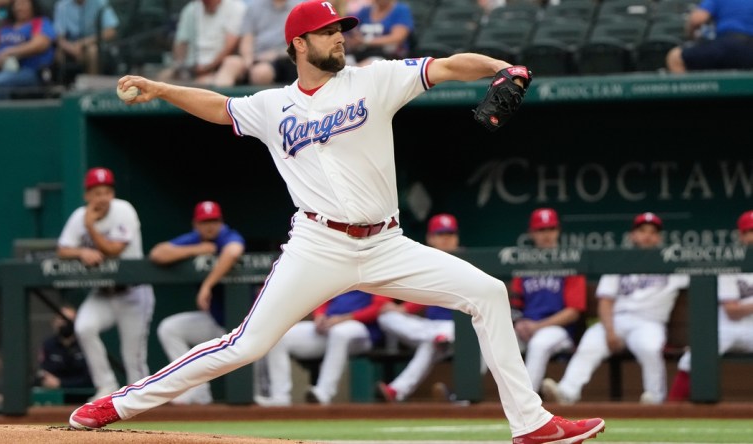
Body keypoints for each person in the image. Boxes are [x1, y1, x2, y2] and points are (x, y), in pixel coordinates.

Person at [70, 2, 605, 442]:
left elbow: (445, 66)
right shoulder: (272, 106)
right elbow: (218, 106)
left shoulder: (375, 80)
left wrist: (497, 68)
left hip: (386, 243)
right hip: (317, 244)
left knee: (487, 293)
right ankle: (118, 404)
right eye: (328, 32)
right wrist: (163, 89)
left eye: (341, 29)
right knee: (245, 345)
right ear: (299, 44)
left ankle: (531, 423)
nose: (340, 38)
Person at [542, 212, 691, 405]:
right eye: (642, 230)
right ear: (633, 236)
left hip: (649, 323)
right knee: (590, 343)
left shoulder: (672, 263)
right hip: (617, 320)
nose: (647, 235)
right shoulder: (620, 260)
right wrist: (610, 331)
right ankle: (567, 392)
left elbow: (701, 276)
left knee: (650, 348)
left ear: (659, 237)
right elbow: (606, 301)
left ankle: (655, 398)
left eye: (653, 232)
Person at [57, 167, 155, 402]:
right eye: (97, 192)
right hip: (103, 293)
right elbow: (62, 249)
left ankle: (143, 402)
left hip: (133, 292)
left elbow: (113, 250)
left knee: (133, 358)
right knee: (84, 327)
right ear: (87, 195)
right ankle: (106, 385)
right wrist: (82, 251)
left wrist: (90, 228)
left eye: (107, 191)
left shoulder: (123, 210)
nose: (102, 197)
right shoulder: (79, 216)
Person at [149, 200, 246, 405]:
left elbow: (233, 252)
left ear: (221, 222)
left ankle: (276, 401)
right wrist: (196, 249)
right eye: (205, 222)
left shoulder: (227, 235)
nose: (209, 226)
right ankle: (197, 392)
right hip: (217, 321)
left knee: (261, 360)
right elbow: (157, 253)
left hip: (245, 323)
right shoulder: (195, 240)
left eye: (214, 221)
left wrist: (207, 285)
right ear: (196, 224)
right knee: (170, 328)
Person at [667, 210, 753, 402]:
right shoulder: (732, 263)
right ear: (742, 236)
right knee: (693, 358)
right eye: (750, 232)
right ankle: (671, 408)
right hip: (729, 327)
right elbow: (732, 311)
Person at [375, 213, 460, 403]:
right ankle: (439, 339)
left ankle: (396, 391)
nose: (446, 238)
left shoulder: (467, 262)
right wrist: (399, 309)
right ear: (430, 238)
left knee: (435, 341)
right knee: (386, 318)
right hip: (428, 328)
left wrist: (404, 309)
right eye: (441, 234)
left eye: (450, 233)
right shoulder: (423, 262)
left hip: (459, 329)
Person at [256, 290, 389, 406]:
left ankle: (323, 393)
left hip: (362, 331)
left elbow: (379, 307)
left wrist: (345, 318)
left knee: (340, 333)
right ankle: (280, 398)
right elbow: (323, 297)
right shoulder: (339, 269)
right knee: (279, 335)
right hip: (330, 326)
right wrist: (319, 316)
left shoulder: (375, 267)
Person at [510, 208, 586, 393]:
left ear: (558, 231)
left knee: (539, 344)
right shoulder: (524, 264)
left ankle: (526, 404)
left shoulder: (570, 263)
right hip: (526, 327)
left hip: (558, 330)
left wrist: (538, 326)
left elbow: (573, 312)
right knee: (493, 339)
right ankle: (464, 396)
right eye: (541, 230)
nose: (546, 235)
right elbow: (515, 303)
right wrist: (518, 322)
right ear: (532, 233)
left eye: (550, 229)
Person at [0, 0, 56, 100]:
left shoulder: (39, 22)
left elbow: (40, 44)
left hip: (28, 70)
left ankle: (1, 115)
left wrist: (10, 52)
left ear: (32, 6)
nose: (19, 8)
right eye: (16, 5)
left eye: (23, 4)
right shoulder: (6, 26)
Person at [156, 0, 246, 87]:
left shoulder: (235, 7)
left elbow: (230, 45)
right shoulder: (191, 9)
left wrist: (207, 68)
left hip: (218, 67)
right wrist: (180, 66)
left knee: (216, 77)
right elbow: (181, 43)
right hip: (192, 68)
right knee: (162, 78)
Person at [217, 0, 302, 87]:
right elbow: (247, 38)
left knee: (261, 72)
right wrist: (248, 59)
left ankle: (259, 100)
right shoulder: (254, 7)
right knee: (230, 63)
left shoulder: (300, 8)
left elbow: (300, 43)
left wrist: (275, 54)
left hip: (284, 59)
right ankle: (218, 99)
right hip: (255, 57)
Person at [665, 0, 753, 73]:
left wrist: (691, 36)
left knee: (675, 57)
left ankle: (690, 92)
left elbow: (696, 19)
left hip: (726, 44)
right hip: (749, 46)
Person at [53, 0, 119, 80]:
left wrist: (83, 43)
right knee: (58, 53)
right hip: (69, 48)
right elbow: (58, 37)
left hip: (92, 44)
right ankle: (63, 87)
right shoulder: (62, 5)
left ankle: (92, 86)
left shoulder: (100, 2)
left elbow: (111, 31)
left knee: (92, 50)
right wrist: (72, 49)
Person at [35, 304, 93, 391]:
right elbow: (44, 374)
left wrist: (61, 383)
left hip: (84, 396)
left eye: (70, 320)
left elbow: (90, 378)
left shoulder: (86, 344)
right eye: (62, 319)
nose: (65, 324)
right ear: (54, 322)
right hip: (55, 396)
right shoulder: (48, 345)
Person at [345, 0, 414, 66]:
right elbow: (352, 26)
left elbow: (397, 38)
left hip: (388, 56)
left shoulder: (400, 10)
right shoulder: (365, 10)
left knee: (368, 67)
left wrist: (365, 41)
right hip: (361, 53)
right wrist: (355, 37)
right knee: (344, 63)